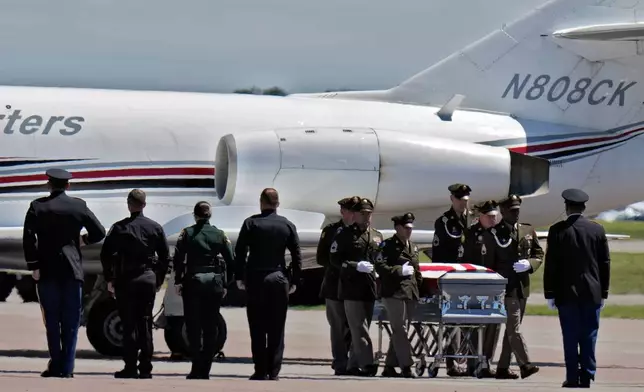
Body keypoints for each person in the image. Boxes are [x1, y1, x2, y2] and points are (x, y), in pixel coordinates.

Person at [22, 168, 106, 378]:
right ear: (68, 185)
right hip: (72, 270)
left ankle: (56, 364)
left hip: (47, 270)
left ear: (49, 184)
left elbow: (29, 239)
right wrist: (83, 240)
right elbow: (99, 232)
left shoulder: (37, 207)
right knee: (70, 321)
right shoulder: (78, 206)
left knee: (51, 320)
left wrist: (34, 266)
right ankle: (67, 369)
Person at [99, 189, 171, 379]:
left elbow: (105, 255)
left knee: (129, 324)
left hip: (126, 280)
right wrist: (158, 279)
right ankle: (146, 368)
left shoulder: (119, 228)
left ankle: (130, 367)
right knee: (145, 323)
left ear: (129, 204)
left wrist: (109, 278)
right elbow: (165, 257)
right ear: (144, 205)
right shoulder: (155, 227)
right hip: (147, 279)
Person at [544, 189, 610, 388]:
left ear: (567, 207)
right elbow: (605, 263)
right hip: (592, 292)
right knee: (589, 334)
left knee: (570, 336)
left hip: (566, 293)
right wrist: (604, 291)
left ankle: (572, 376)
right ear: (584, 208)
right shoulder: (597, 230)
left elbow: (551, 264)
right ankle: (588, 374)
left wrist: (550, 293)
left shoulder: (557, 230)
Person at [234, 188, 302, 381]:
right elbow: (297, 256)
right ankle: (273, 371)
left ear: (261, 202)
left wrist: (239, 277)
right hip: (279, 278)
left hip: (256, 278)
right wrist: (295, 280)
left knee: (257, 327)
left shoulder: (251, 223)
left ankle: (260, 370)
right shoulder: (287, 225)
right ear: (277, 204)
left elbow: (240, 253)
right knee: (277, 327)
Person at [173, 201, 235, 379]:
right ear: (210, 215)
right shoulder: (220, 234)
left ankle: (196, 367)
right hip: (214, 284)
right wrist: (225, 284)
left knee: (193, 326)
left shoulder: (187, 233)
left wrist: (178, 281)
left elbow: (178, 259)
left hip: (193, 283)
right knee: (210, 327)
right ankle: (206, 369)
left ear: (195, 215)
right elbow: (231, 261)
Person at [489, 194, 541, 380]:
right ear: (503, 211)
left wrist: (530, 264)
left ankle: (503, 368)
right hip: (506, 288)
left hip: (522, 287)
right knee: (514, 328)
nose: (516, 214)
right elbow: (490, 262)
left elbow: (538, 253)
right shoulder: (494, 233)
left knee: (512, 331)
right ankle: (525, 364)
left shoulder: (527, 230)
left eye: (518, 210)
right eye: (512, 211)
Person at [330, 197, 383, 377]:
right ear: (355, 214)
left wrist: (378, 271)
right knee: (359, 327)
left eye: (369, 214)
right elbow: (335, 259)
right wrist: (354, 266)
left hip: (369, 287)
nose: (366, 217)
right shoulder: (344, 235)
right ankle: (367, 363)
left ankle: (353, 364)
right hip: (351, 287)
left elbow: (379, 258)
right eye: (363, 214)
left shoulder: (376, 235)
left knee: (362, 325)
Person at [374, 212, 423, 378]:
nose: (409, 231)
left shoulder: (413, 246)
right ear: (397, 228)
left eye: (411, 228)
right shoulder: (387, 246)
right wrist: (398, 270)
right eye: (406, 228)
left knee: (400, 331)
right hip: (393, 292)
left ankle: (389, 366)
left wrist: (422, 291)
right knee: (400, 329)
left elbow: (417, 271)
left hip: (410, 293)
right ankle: (407, 366)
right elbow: (379, 266)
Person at [431, 183, 472, 377]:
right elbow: (442, 253)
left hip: (470, 277)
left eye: (465, 200)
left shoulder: (472, 219)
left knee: (469, 322)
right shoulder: (444, 222)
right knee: (451, 322)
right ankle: (450, 362)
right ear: (452, 199)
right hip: (452, 277)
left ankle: (469, 361)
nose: (463, 203)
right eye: (459, 200)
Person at [316, 196, 360, 375]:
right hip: (335, 284)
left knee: (355, 325)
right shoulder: (331, 231)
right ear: (343, 212)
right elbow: (321, 258)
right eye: (351, 210)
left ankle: (353, 362)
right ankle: (340, 362)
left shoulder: (363, 232)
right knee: (338, 326)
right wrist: (342, 266)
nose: (354, 214)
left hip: (356, 286)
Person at [462, 200, 500, 378]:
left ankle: (486, 363)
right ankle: (471, 362)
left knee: (493, 326)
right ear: (481, 217)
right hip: (474, 286)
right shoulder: (470, 234)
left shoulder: (499, 234)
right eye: (490, 217)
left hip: (493, 286)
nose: (493, 220)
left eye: (495, 216)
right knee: (472, 325)